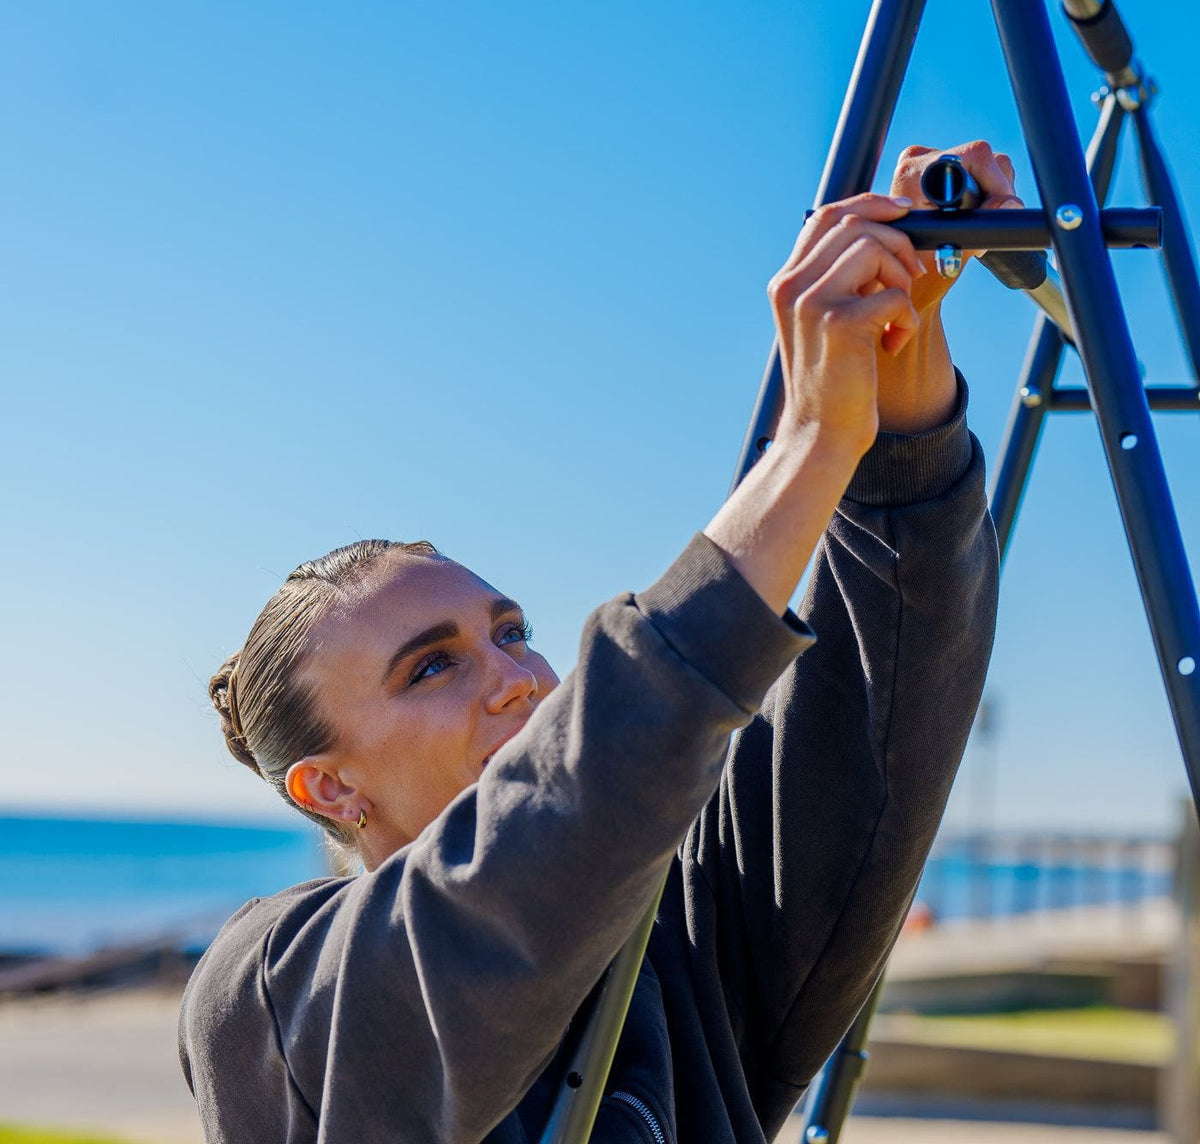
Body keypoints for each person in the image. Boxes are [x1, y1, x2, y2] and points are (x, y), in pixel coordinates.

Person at [179, 140, 1014, 1143]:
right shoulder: (273, 996)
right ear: (330, 788)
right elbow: (542, 840)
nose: (521, 680)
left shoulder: (679, 954)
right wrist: (806, 447)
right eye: (432, 666)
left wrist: (897, 405)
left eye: (513, 633)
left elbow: (871, 732)